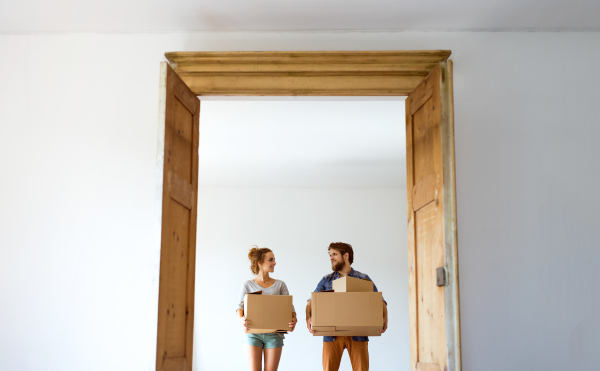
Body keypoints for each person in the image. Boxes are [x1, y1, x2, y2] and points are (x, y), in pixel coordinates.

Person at [305, 242, 388, 371]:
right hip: (331, 334)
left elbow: (380, 301)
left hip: (358, 334)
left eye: (334, 254)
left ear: (346, 256)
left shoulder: (363, 279)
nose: (331, 258)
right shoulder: (326, 280)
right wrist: (308, 317)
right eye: (330, 255)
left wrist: (384, 317)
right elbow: (311, 301)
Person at [237, 246, 298, 371]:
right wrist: (241, 320)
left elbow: (289, 307)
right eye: (271, 260)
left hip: (274, 335)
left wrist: (294, 319)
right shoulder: (248, 285)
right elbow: (239, 307)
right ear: (260, 263)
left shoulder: (280, 285)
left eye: (274, 259)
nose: (274, 263)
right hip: (253, 334)